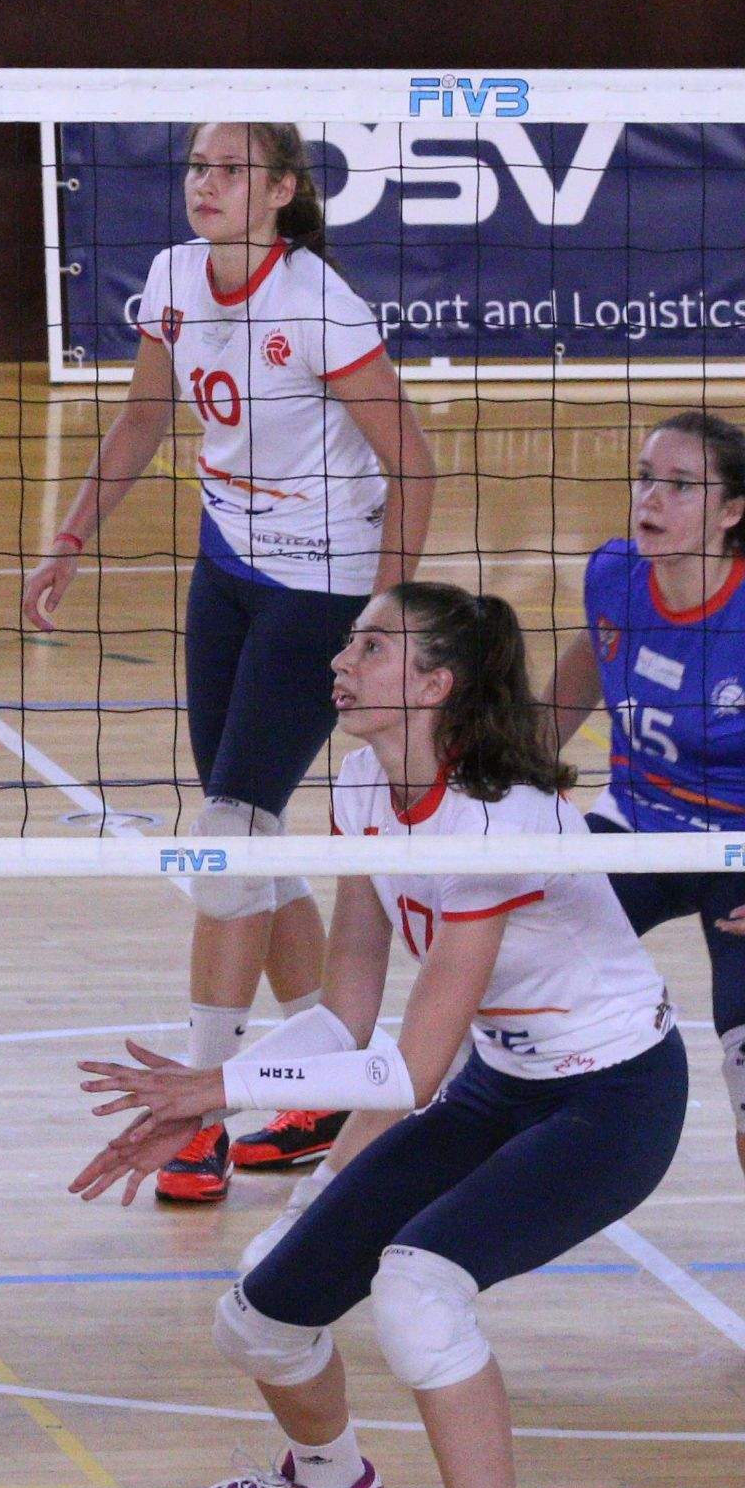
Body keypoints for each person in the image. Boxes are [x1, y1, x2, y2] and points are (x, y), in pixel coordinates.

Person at [74, 582, 685, 1488]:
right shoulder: (363, 780)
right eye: (350, 642)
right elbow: (347, 1015)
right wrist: (223, 1085)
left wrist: (219, 1086)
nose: (340, 661)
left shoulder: (497, 818)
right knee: (260, 1318)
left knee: (417, 1286)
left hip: (614, 1098)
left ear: (438, 684)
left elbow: (407, 1071)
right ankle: (331, 1479)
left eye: (371, 644)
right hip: (504, 1085)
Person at [26, 120, 438, 1203]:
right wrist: (69, 535)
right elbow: (143, 416)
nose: (205, 184)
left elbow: (416, 465)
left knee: (230, 833)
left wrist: (382, 617)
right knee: (243, 828)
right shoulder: (171, 275)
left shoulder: (318, 303)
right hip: (228, 568)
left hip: (324, 581)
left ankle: (197, 1108)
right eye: (198, 168)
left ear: (285, 190)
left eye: (231, 169)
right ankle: (322, 1084)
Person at [546, 411, 745, 1347]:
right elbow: (587, 666)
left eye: (678, 486)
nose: (650, 499)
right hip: (641, 828)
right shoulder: (614, 572)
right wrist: (514, 766)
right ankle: (379, 1193)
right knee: (509, 967)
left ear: (731, 511)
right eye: (644, 477)